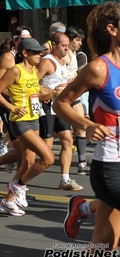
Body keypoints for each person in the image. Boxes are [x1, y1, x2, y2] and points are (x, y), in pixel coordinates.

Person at [53, 3, 120, 257]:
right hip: (111, 166)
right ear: (112, 29)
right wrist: (88, 125)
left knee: (105, 246)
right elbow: (60, 103)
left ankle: (81, 208)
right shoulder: (98, 68)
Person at [0, 38, 55, 216]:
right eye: (36, 52)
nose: (40, 55)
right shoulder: (15, 70)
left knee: (28, 163)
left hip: (34, 119)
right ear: (24, 53)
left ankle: (8, 201)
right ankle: (18, 185)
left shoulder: (34, 71)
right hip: (20, 122)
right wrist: (12, 107)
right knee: (48, 159)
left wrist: (47, 95)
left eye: (41, 52)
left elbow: (34, 96)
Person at [0, 26, 33, 186]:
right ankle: (15, 189)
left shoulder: (28, 57)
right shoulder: (9, 58)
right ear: (15, 40)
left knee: (25, 153)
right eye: (23, 39)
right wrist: (13, 96)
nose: (28, 42)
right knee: (24, 154)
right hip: (9, 107)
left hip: (27, 109)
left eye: (29, 38)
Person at [37, 32, 84, 191]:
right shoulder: (46, 62)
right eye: (63, 46)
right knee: (46, 151)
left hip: (60, 108)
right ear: (54, 45)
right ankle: (17, 167)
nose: (66, 48)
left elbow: (61, 83)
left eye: (67, 45)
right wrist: (50, 92)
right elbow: (31, 83)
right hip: (46, 107)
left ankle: (65, 179)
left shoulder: (63, 61)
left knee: (67, 140)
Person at [64, 26, 90, 175]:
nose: (80, 43)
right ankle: (18, 153)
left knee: (81, 127)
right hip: (58, 97)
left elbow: (80, 76)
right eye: (77, 39)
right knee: (56, 136)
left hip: (74, 96)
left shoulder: (80, 55)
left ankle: (82, 163)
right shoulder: (61, 53)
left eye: (81, 40)